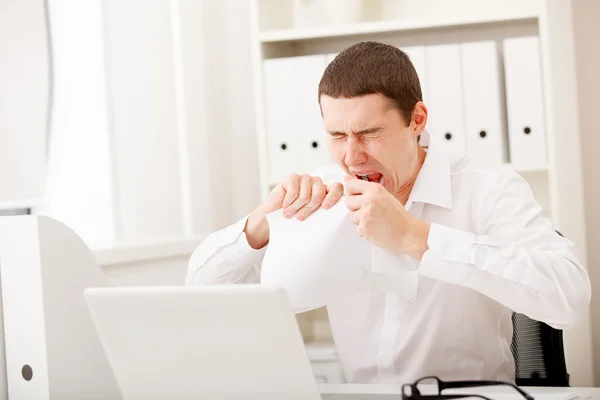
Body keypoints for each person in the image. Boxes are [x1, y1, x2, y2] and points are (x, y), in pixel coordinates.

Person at [185, 41, 591, 384]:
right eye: (337, 135)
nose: (352, 155)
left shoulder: (487, 188)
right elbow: (199, 294)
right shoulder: (324, 194)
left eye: (369, 133)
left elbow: (570, 297)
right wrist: (260, 223)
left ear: (417, 119)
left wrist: (419, 238)